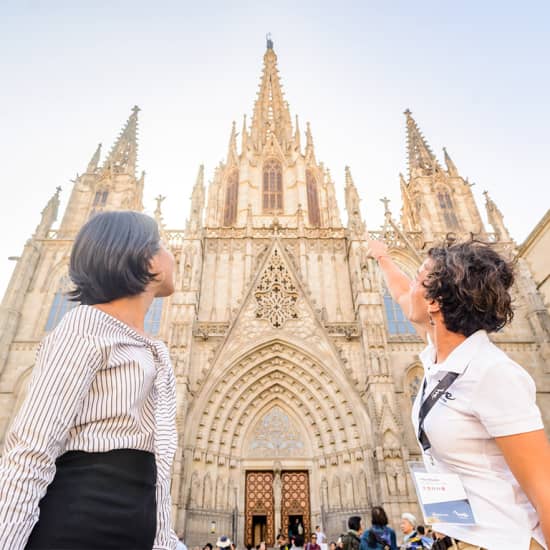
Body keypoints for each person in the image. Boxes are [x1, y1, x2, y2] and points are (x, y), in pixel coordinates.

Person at [0, 211, 178, 550]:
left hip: (133, 529)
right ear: (144, 260)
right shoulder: (83, 328)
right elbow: (30, 451)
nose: (173, 255)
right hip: (79, 526)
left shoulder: (156, 351)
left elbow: (159, 470)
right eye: (164, 245)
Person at [368, 238, 550, 550]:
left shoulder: (491, 372)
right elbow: (400, 294)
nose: (408, 286)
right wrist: (382, 256)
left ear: (435, 302)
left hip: (504, 541)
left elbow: (543, 485)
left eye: (417, 278)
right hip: (461, 538)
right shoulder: (440, 355)